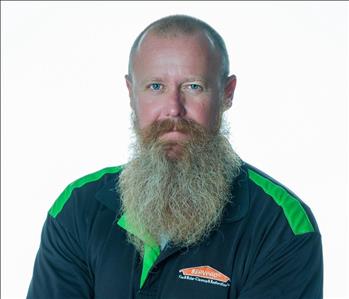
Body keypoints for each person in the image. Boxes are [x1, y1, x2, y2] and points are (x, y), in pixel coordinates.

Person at [27, 15, 323, 298]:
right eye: (156, 86)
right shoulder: (78, 208)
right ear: (131, 93)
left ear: (227, 93)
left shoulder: (281, 226)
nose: (174, 109)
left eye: (193, 87)